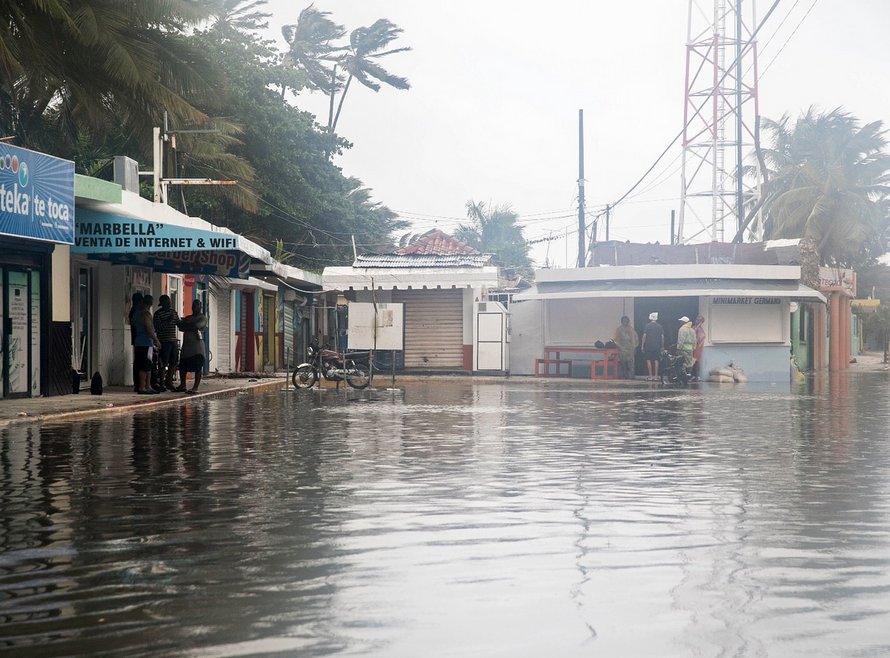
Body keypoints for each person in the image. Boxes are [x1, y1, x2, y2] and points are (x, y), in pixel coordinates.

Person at [176, 299, 207, 394]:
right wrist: (185, 324)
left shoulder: (202, 318)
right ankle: (183, 385)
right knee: (183, 366)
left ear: (200, 307)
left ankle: (195, 387)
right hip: (187, 347)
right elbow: (181, 327)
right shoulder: (189, 317)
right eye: (193, 305)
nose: (195, 307)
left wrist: (186, 324)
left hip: (197, 347)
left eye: (197, 305)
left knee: (197, 367)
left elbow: (196, 326)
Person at [133, 294, 161, 394]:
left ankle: (147, 385)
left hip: (142, 342)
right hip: (145, 342)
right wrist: (156, 339)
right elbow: (149, 329)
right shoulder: (145, 314)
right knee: (144, 365)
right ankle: (142, 386)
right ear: (151, 303)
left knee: (148, 365)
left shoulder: (136, 313)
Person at [154, 294, 181, 391]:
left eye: (169, 302)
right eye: (167, 302)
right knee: (162, 363)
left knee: (173, 362)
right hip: (164, 341)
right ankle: (162, 383)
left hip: (173, 340)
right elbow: (157, 328)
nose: (169, 304)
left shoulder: (173, 312)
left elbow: (179, 324)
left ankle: (169, 382)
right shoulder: (158, 314)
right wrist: (167, 321)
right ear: (162, 304)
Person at [613, 315, 639, 379]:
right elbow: (616, 339)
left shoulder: (631, 330)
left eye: (626, 321)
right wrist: (618, 347)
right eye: (624, 321)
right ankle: (622, 377)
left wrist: (634, 347)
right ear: (622, 322)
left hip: (630, 350)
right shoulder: (619, 330)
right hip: (621, 350)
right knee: (622, 365)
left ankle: (631, 377)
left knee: (631, 365)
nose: (625, 322)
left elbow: (635, 339)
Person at [640, 312, 664, 381]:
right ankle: (656, 376)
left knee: (648, 360)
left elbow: (644, 336)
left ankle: (650, 376)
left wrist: (642, 345)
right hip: (657, 346)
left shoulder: (647, 326)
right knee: (656, 360)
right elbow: (662, 337)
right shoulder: (660, 326)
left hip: (648, 346)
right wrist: (662, 346)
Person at [128, 292, 144, 393]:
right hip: (139, 339)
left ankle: (137, 383)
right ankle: (138, 383)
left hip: (136, 339)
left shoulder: (134, 311)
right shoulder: (136, 311)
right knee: (139, 362)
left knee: (138, 361)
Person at [692, 315, 706, 381]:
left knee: (696, 361)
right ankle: (694, 376)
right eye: (696, 319)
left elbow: (698, 339)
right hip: (694, 347)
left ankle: (696, 376)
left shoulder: (699, 329)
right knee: (694, 361)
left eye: (698, 320)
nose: (696, 320)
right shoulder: (695, 327)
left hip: (697, 347)